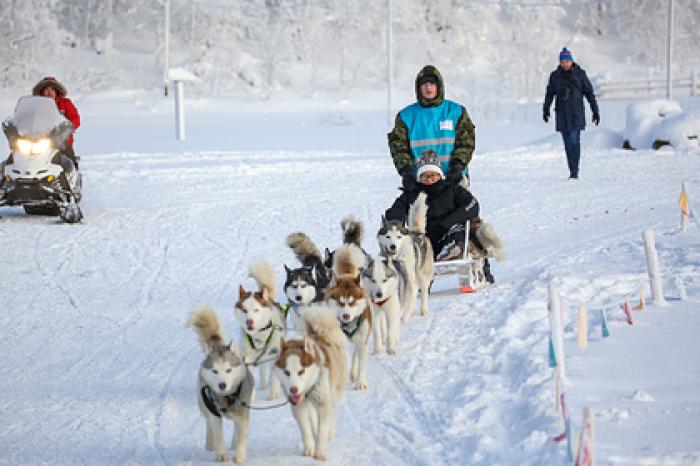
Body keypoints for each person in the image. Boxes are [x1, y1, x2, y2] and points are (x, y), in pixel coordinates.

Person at [388, 65, 475, 192]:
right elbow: (398, 148)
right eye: (424, 84)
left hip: (453, 178)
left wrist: (457, 166)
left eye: (432, 83)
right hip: (421, 181)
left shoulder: (456, 112)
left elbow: (466, 142)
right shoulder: (406, 116)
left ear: (439, 86)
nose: (428, 87)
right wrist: (406, 171)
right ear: (418, 88)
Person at [384, 150, 480, 263]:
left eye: (433, 175)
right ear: (419, 177)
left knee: (457, 230)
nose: (429, 179)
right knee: (411, 242)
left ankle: (451, 249)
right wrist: (395, 222)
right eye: (425, 176)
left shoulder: (452, 189)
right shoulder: (411, 194)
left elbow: (472, 205)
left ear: (440, 175)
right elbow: (395, 211)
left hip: (448, 230)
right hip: (424, 238)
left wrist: (447, 222)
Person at [543, 48, 599, 179]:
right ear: (560, 62)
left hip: (576, 114)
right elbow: (549, 94)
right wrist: (545, 109)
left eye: (567, 61)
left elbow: (589, 93)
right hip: (562, 115)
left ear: (571, 61)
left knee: (574, 141)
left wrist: (595, 110)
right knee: (567, 144)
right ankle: (572, 170)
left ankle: (575, 170)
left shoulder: (580, 74)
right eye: (563, 62)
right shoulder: (555, 76)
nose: (565, 64)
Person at [32, 76, 81, 169]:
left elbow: (75, 118)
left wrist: (67, 128)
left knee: (69, 163)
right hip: (39, 138)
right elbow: (27, 117)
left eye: (52, 89)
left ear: (57, 91)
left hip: (62, 139)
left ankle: (72, 174)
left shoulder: (65, 103)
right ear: (41, 92)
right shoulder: (36, 105)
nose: (49, 92)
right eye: (46, 90)